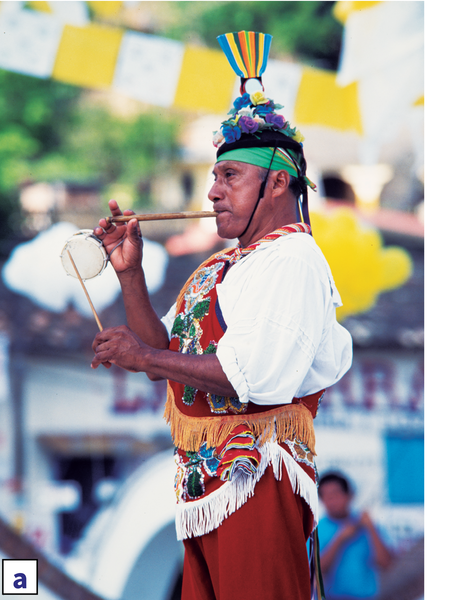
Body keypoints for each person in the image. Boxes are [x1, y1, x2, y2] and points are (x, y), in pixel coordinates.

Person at [89, 31, 352, 600]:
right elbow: (167, 356)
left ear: (277, 183)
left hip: (255, 478)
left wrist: (139, 356)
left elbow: (249, 376)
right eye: (214, 177)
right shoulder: (224, 263)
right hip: (204, 487)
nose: (212, 192)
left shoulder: (291, 258)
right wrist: (129, 273)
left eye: (230, 176)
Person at [313, 472, 394, 600]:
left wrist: (371, 528)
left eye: (335, 494)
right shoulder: (315, 531)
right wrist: (340, 539)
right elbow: (316, 570)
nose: (331, 501)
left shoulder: (367, 525)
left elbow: (386, 564)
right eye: (325, 496)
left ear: (349, 495)